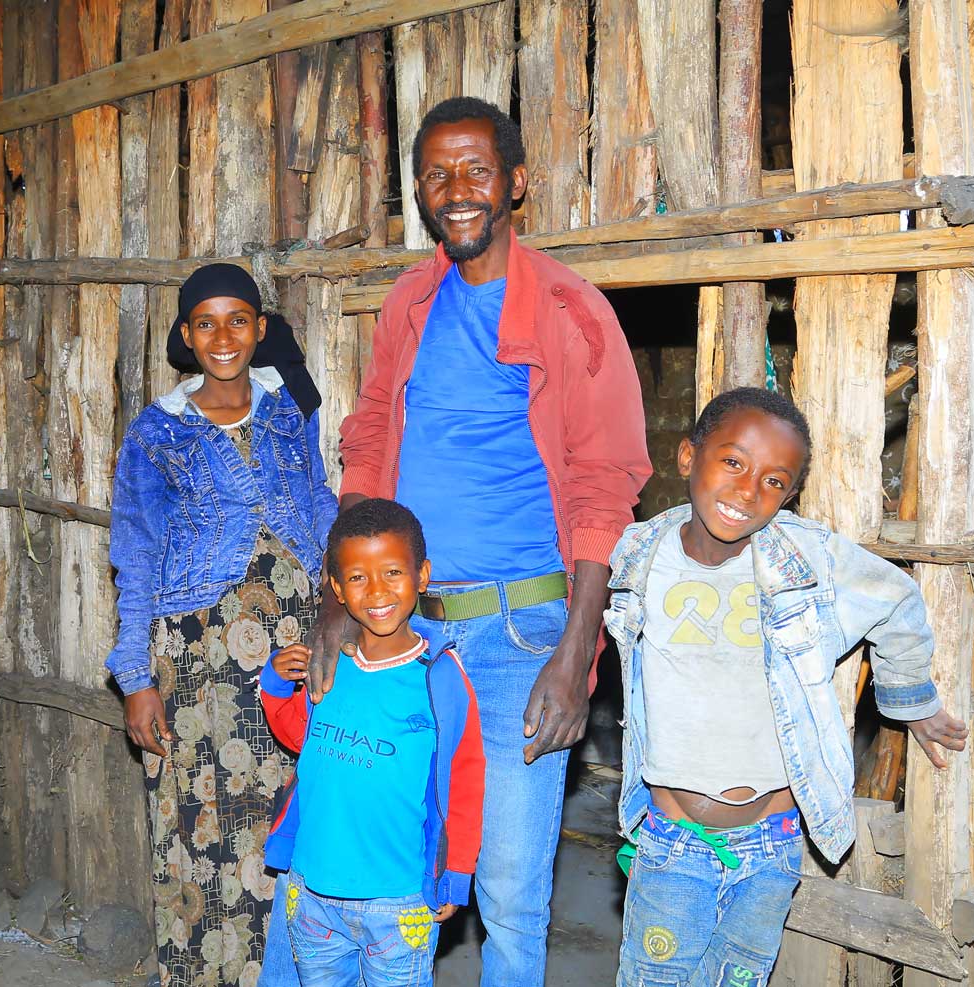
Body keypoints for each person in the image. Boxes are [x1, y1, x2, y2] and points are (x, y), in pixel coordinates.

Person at [321, 95, 652, 986]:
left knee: (508, 891)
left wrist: (577, 654)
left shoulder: (571, 312)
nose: (456, 189)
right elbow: (370, 434)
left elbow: (604, 483)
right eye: (436, 173)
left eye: (476, 170)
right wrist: (338, 605)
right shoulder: (410, 303)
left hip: (520, 637)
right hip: (408, 633)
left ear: (515, 184)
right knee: (397, 873)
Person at [603, 387, 969, 986]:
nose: (748, 492)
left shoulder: (808, 558)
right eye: (733, 463)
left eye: (774, 481)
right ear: (688, 457)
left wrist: (912, 701)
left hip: (770, 848)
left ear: (791, 494)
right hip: (671, 845)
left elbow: (897, 600)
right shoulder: (639, 554)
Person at [107, 262, 336, 987]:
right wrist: (135, 678)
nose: (224, 335)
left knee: (288, 817)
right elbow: (134, 555)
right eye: (205, 322)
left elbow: (318, 499)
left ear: (260, 329)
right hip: (200, 662)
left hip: (293, 647)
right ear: (186, 336)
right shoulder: (157, 433)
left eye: (238, 319)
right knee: (200, 825)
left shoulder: (286, 412)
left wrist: (347, 592)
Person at [260, 498, 485, 987]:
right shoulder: (329, 667)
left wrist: (456, 872)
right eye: (358, 578)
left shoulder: (440, 678)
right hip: (313, 895)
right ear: (337, 589)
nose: (377, 590)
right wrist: (276, 686)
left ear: (421, 575)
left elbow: (464, 785)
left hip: (398, 903)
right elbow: (300, 738)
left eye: (392, 572)